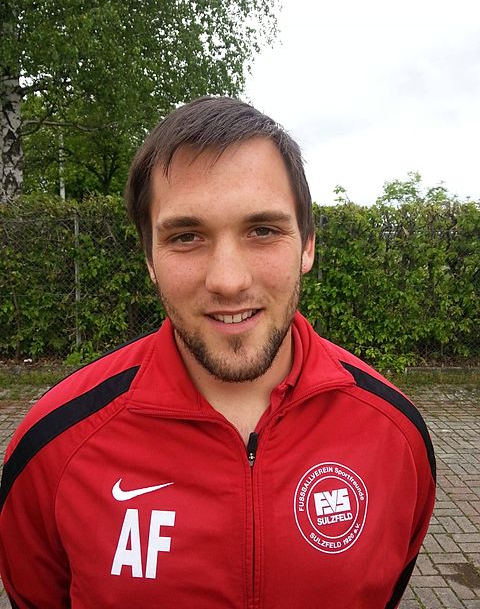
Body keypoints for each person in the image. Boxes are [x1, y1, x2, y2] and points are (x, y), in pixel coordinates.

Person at [0, 97, 435, 608]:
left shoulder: (396, 436)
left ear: (308, 245)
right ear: (150, 260)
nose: (228, 280)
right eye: (187, 237)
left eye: (263, 231)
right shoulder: (54, 446)